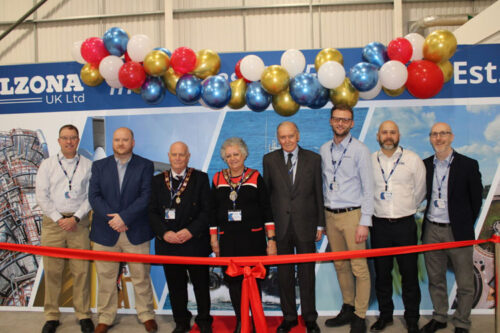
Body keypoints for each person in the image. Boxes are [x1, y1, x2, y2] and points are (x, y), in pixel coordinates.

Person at [89, 127, 157, 333]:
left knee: (141, 277)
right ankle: (106, 317)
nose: (120, 143)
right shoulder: (99, 166)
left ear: (132, 142)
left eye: (125, 140)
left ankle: (146, 314)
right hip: (105, 232)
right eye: (117, 140)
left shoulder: (145, 165)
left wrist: (124, 217)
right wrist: (114, 219)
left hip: (135, 231)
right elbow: (94, 196)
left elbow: (146, 196)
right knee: (106, 279)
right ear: (112, 142)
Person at [420, 123, 483, 333]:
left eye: (443, 134)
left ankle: (462, 322)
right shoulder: (425, 165)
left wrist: (462, 222)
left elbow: (476, 202)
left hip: (458, 231)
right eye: (434, 134)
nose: (439, 138)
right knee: (435, 278)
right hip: (431, 230)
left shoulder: (468, 165)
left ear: (451, 137)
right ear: (430, 138)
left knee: (465, 281)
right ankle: (439, 316)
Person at [210, 137, 276, 333]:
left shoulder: (255, 177)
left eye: (236, 154)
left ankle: (255, 320)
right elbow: (213, 212)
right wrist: (214, 240)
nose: (232, 159)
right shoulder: (217, 178)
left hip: (253, 240)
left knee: (254, 282)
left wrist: (271, 240)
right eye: (228, 156)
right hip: (228, 240)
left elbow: (267, 211)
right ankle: (241, 320)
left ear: (244, 155)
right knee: (233, 283)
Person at [262, 121, 324, 333]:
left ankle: (309, 318)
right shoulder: (269, 160)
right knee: (284, 274)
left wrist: (320, 224)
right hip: (280, 227)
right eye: (282, 137)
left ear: (298, 135)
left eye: (290, 136)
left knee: (307, 275)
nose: (287, 141)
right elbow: (267, 198)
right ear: (278, 139)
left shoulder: (314, 159)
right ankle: (288, 317)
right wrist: (269, 230)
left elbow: (318, 193)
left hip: (306, 225)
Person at [320, 104, 374, 333]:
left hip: (353, 215)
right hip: (330, 215)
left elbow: (369, 188)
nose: (340, 123)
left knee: (359, 268)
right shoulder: (324, 149)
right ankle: (348, 307)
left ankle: (360, 315)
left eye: (345, 120)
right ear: (331, 121)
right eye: (337, 119)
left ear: (352, 123)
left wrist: (365, 221)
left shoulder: (360, 150)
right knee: (340, 265)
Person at [35, 124, 94, 333]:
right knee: (52, 271)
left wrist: (76, 217)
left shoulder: (88, 165)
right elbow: (41, 195)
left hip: (78, 223)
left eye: (73, 138)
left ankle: (83, 314)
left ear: (78, 141)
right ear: (59, 141)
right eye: (65, 138)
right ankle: (51, 316)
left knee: (81, 271)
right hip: (53, 224)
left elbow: (91, 196)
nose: (69, 142)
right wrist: (59, 218)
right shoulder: (47, 165)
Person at [149, 142, 213, 333]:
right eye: (174, 155)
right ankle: (181, 321)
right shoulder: (157, 181)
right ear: (169, 156)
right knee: (176, 286)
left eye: (182, 155)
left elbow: (207, 211)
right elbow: (152, 212)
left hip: (195, 242)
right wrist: (164, 233)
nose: (178, 158)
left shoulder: (200, 178)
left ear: (188, 156)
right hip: (169, 243)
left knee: (201, 285)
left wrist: (190, 231)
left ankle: (204, 320)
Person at [369, 120, 426, 333]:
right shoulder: (370, 160)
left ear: (398, 135)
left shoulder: (412, 160)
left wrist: (406, 207)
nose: (388, 136)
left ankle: (412, 317)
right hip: (380, 225)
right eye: (384, 132)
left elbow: (420, 191)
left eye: (392, 132)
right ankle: (386, 316)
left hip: (405, 224)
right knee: (382, 274)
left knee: (409, 273)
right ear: (378, 136)